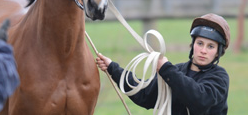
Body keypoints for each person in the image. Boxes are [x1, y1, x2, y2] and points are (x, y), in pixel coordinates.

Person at [96, 13, 230, 115]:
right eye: (200, 43)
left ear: (218, 53)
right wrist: (112, 68)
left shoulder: (219, 77)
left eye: (211, 46)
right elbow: (144, 95)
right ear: (193, 44)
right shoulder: (177, 70)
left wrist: (167, 69)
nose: (203, 51)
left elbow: (200, 100)